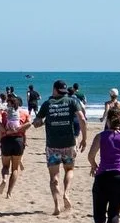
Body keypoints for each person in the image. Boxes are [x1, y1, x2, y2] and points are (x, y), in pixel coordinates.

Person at [33, 80, 88, 215]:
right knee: (69, 169)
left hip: (52, 145)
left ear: (54, 89)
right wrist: (84, 139)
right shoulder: (72, 101)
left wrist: (39, 122)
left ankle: (57, 206)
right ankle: (66, 193)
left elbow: (37, 123)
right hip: (69, 143)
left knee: (53, 176)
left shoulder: (47, 104)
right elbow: (82, 119)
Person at [0, 95, 30, 198]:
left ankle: (4, 179)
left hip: (6, 140)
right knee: (15, 169)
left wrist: (5, 131)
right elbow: (29, 124)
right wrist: (19, 129)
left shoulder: (4, 113)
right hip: (18, 141)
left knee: (5, 166)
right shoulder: (24, 113)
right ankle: (9, 193)